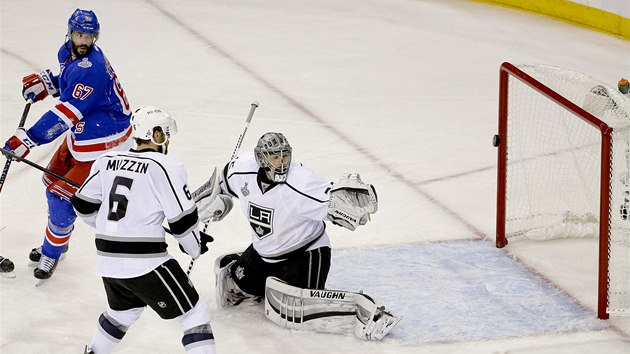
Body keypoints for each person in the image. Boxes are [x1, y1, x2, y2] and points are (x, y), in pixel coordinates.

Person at [195, 132, 401, 340]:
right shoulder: (241, 169)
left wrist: (351, 203)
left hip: (305, 252)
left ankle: (367, 316)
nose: (282, 162)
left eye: (285, 155)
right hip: (265, 251)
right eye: (275, 157)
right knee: (234, 285)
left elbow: (331, 200)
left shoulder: (301, 182)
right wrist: (200, 208)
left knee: (300, 308)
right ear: (261, 159)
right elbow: (220, 183)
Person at [70, 106, 215, 354]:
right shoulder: (166, 166)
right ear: (156, 135)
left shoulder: (107, 161)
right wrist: (194, 246)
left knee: (122, 312)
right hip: (145, 262)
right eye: (165, 133)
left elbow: (82, 205)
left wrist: (114, 228)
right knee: (194, 314)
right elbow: (182, 223)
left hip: (108, 260)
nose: (167, 139)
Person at [2, 8, 133, 280]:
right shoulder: (67, 53)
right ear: (70, 33)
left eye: (88, 36)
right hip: (86, 131)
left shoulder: (92, 67)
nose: (83, 40)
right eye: (78, 34)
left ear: (95, 37)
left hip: (104, 139)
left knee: (61, 197)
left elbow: (69, 112)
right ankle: (58, 244)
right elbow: (69, 79)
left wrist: (29, 138)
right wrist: (48, 83)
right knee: (52, 183)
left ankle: (52, 253)